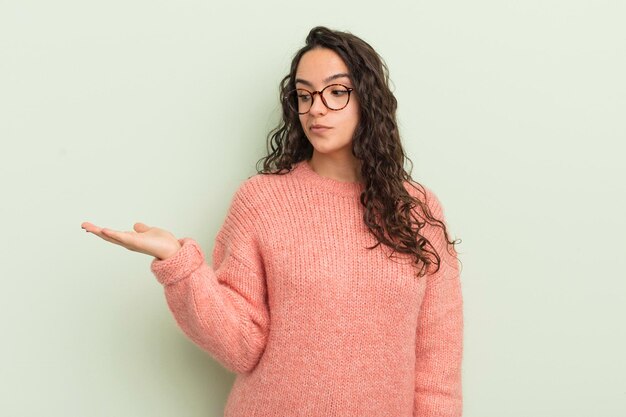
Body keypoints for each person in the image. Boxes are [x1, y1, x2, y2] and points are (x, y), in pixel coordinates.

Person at [81, 26, 463, 417]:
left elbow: (438, 367)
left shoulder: (415, 209)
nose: (316, 108)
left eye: (336, 92)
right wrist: (179, 264)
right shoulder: (261, 200)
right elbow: (241, 346)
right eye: (304, 95)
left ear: (368, 99)